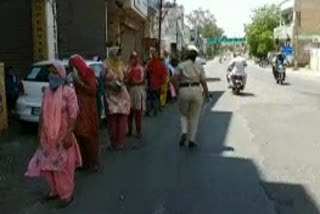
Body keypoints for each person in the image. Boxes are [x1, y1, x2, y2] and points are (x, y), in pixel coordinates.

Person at [25, 61, 82, 208]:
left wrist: (69, 134)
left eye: (55, 72)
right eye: (51, 72)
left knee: (63, 166)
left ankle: (66, 193)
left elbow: (73, 114)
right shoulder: (47, 91)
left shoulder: (68, 92)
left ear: (62, 74)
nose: (52, 75)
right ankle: (54, 190)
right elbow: (42, 113)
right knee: (47, 165)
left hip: (62, 135)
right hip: (47, 137)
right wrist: (39, 131)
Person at [173, 45, 210, 148]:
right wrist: (207, 95)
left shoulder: (181, 65)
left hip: (183, 90)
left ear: (186, 56)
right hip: (196, 90)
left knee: (184, 114)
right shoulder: (200, 66)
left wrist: (177, 90)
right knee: (194, 117)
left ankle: (184, 131)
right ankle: (192, 140)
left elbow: (174, 79)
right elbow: (203, 82)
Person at [69, 55, 100, 171]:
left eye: (73, 66)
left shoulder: (89, 72)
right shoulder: (74, 76)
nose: (73, 69)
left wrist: (79, 83)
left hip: (88, 109)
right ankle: (83, 162)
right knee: (79, 136)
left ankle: (93, 162)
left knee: (89, 136)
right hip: (78, 109)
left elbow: (92, 90)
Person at [105, 47, 130, 150]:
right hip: (112, 95)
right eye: (117, 54)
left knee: (120, 119)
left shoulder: (120, 65)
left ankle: (119, 142)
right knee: (113, 120)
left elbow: (127, 77)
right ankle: (115, 142)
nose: (119, 56)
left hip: (121, 95)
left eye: (119, 54)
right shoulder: (107, 65)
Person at [125, 51, 146, 139]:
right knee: (129, 112)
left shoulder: (139, 68)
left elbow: (139, 80)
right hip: (130, 90)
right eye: (132, 58)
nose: (133, 60)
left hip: (137, 90)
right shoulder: (129, 68)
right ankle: (130, 130)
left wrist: (129, 80)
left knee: (137, 111)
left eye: (135, 58)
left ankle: (138, 131)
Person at [146, 49, 168, 116]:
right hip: (158, 84)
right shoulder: (160, 64)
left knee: (150, 98)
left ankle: (149, 110)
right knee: (156, 97)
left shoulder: (150, 63)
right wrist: (163, 84)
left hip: (152, 83)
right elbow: (164, 75)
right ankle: (156, 109)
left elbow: (147, 72)